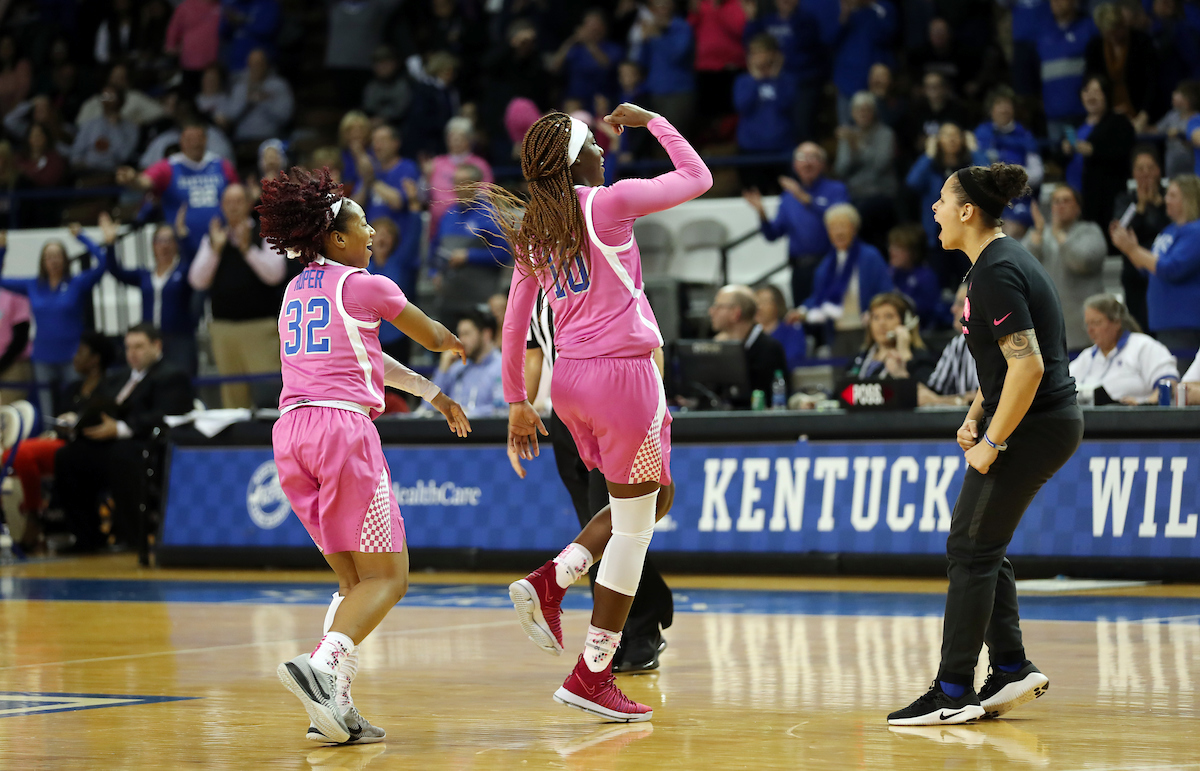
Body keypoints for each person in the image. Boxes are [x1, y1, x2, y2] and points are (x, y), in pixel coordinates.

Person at [483, 104, 711, 722]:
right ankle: (585, 654)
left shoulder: (537, 229)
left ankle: (564, 587)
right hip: (622, 378)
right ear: (574, 161)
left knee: (653, 498)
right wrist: (654, 121)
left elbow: (513, 325)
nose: (604, 151)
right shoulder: (608, 204)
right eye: (593, 144)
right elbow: (698, 177)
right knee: (635, 527)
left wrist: (516, 400)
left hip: (570, 385)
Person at [259, 166, 470, 745]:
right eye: (362, 224)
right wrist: (452, 340)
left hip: (291, 433)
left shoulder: (296, 290)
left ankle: (333, 706)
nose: (372, 231)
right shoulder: (365, 284)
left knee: (355, 582)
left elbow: (363, 357)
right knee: (389, 578)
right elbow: (430, 335)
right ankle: (320, 667)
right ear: (336, 238)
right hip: (340, 432)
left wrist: (431, 393)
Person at [888, 162, 1082, 726]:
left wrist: (993, 441)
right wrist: (976, 415)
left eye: (942, 201)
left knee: (970, 550)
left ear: (968, 210)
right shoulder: (994, 264)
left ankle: (953, 691)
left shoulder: (996, 270)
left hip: (1035, 424)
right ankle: (1011, 668)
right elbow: (1002, 363)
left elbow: (1028, 366)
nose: (934, 210)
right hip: (1031, 419)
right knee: (980, 545)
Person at [523, 287, 674, 672]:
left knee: (620, 521)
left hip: (619, 403)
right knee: (598, 526)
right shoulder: (534, 289)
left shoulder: (608, 277)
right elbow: (533, 354)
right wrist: (519, 406)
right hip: (566, 413)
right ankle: (622, 632)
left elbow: (652, 346)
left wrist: (650, 408)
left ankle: (639, 631)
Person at [53, 323, 194, 553]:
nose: (132, 353)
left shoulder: (172, 376)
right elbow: (97, 405)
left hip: (144, 445)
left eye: (139, 346)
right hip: (107, 443)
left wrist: (121, 429)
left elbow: (167, 413)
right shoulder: (117, 378)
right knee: (68, 457)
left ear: (157, 346)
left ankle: (131, 536)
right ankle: (86, 537)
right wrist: (77, 420)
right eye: (128, 347)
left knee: (122, 455)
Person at [3, 333, 114, 549]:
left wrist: (78, 423)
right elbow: (58, 418)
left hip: (88, 445)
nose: (75, 357)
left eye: (81, 352)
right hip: (63, 440)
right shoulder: (73, 387)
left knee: (21, 453)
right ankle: (34, 513)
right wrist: (61, 424)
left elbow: (103, 418)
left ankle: (34, 514)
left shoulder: (109, 387)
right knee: (15, 452)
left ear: (95, 359)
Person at [188, 183, 287, 408]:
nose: (233, 207)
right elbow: (197, 281)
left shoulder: (265, 233)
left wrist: (247, 249)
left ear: (248, 204)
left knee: (268, 393)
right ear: (222, 206)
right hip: (223, 329)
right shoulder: (213, 238)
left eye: (238, 201)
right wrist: (215, 250)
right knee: (232, 398)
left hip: (260, 328)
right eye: (228, 202)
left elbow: (275, 275)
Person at [0, 220, 111, 419]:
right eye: (49, 257)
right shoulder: (33, 285)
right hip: (43, 356)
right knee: (47, 412)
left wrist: (82, 237)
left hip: (73, 357)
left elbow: (102, 264)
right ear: (43, 261)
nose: (53, 261)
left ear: (65, 259)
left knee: (74, 407)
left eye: (58, 255)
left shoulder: (76, 282)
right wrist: (2, 250)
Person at [742, 142, 849, 311]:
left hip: (829, 264)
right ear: (794, 165)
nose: (807, 162)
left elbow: (843, 220)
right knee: (801, 315)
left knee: (828, 315)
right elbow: (773, 235)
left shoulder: (836, 190)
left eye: (813, 157)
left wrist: (807, 199)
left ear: (823, 164)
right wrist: (762, 213)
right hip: (799, 270)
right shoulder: (788, 197)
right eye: (801, 157)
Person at [116, 120, 239, 257]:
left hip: (223, 242)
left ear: (205, 140)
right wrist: (133, 178)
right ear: (181, 141)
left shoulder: (222, 164)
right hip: (182, 245)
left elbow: (239, 195)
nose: (194, 143)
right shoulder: (168, 166)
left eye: (198, 138)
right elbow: (145, 182)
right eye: (189, 139)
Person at [1110, 174, 1200, 351]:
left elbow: (1172, 269)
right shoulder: (1169, 230)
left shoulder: (1195, 232)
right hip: (1164, 322)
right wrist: (1127, 246)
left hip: (1185, 323)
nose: (1166, 200)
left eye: (1172, 195)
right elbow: (1147, 268)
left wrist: (1133, 250)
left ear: (1188, 199)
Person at [794, 203, 893, 355]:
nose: (838, 232)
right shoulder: (825, 265)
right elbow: (818, 297)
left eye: (843, 226)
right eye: (833, 227)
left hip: (867, 329)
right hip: (836, 333)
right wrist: (802, 311)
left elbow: (886, 291)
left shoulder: (870, 257)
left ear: (854, 228)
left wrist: (875, 313)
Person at [1023, 185, 1107, 350]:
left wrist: (1060, 236)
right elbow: (1023, 268)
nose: (1060, 205)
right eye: (1056, 201)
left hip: (1084, 329)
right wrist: (1037, 238)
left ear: (1078, 208)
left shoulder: (1090, 232)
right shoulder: (1040, 233)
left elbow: (1083, 262)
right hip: (1048, 330)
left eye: (1066, 201)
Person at [108, 223, 197, 375]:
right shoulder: (145, 275)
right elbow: (117, 271)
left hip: (179, 336)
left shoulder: (183, 271)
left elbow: (196, 264)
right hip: (150, 337)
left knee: (182, 377)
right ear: (154, 245)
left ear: (176, 244)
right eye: (160, 240)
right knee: (151, 378)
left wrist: (184, 237)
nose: (164, 245)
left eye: (169, 240)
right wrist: (110, 244)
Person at [430, 164, 511, 326]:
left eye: (464, 182)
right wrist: (433, 273)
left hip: (479, 298)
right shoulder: (448, 215)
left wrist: (469, 256)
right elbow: (434, 249)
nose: (459, 187)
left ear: (476, 184)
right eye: (456, 182)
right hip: (449, 299)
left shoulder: (490, 214)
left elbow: (505, 253)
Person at [1070, 294, 1179, 405]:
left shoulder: (1142, 346)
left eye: (1096, 323)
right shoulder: (1087, 356)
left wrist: (1144, 405)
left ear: (1117, 322)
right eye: (1087, 324)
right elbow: (1063, 386)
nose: (1090, 330)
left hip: (1134, 414)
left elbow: (1168, 383)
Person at [741, 0, 823, 142]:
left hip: (801, 81)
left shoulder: (806, 20)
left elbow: (808, 45)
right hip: (773, 78)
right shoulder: (768, 20)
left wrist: (790, 18)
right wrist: (752, 20)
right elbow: (751, 42)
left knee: (802, 126)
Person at [1061, 75, 1136, 227]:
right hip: (1074, 196)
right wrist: (1065, 149)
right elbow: (1060, 158)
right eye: (1087, 91)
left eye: (1096, 91)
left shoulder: (1118, 122)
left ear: (1106, 94)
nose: (1091, 96)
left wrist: (1093, 150)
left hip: (1104, 199)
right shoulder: (1075, 123)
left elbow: (1122, 151)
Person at [1110, 146, 1169, 331]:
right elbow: (1120, 230)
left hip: (1163, 271)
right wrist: (1141, 206)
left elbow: (1172, 228)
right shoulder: (1125, 199)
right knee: (1139, 327)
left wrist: (1159, 205)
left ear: (1159, 170)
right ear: (1133, 173)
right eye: (1140, 168)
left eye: (1150, 167)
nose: (1145, 173)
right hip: (1134, 275)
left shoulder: (1170, 198)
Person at [733, 34, 797, 193]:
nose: (758, 57)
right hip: (751, 149)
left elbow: (786, 105)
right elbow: (743, 106)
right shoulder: (743, 81)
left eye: (762, 51)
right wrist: (755, 79)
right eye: (754, 53)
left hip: (781, 149)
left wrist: (775, 77)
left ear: (774, 54)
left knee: (784, 196)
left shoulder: (787, 80)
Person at [707, 284, 790, 406]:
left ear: (735, 313)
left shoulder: (769, 349)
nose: (711, 311)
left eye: (718, 306)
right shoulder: (718, 347)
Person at [834, 91, 899, 247]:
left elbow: (880, 165)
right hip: (854, 194)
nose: (862, 114)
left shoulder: (885, 134)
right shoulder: (849, 135)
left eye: (866, 109)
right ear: (852, 113)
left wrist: (857, 146)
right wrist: (851, 148)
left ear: (874, 112)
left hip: (880, 192)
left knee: (859, 215)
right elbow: (841, 169)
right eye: (858, 110)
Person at [421, 308, 504, 418]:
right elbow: (427, 407)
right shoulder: (456, 369)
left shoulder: (503, 367)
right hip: (449, 428)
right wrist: (443, 369)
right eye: (460, 335)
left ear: (486, 334)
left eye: (466, 334)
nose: (461, 341)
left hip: (487, 428)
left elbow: (503, 410)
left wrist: (469, 413)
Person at [1036, 0, 1097, 143]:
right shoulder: (1042, 31)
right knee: (1058, 156)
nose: (1056, 2)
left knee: (1082, 154)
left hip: (1083, 114)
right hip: (1053, 115)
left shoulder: (1089, 28)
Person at [844, 292, 936, 382]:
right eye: (876, 317)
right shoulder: (860, 358)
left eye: (889, 316)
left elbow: (926, 388)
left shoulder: (920, 357)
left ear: (905, 322)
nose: (881, 323)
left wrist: (905, 354)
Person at [637, 0, 697, 136]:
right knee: (655, 139)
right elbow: (642, 61)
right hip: (654, 91)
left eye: (664, 4)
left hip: (678, 92)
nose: (660, 9)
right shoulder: (652, 29)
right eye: (656, 5)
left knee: (672, 138)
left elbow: (677, 56)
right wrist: (644, 40)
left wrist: (656, 37)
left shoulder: (682, 27)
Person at [426, 117, 493, 234]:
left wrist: (456, 208)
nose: (456, 141)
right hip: (438, 225)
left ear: (469, 139)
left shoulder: (480, 165)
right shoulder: (436, 164)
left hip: (470, 225)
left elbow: (485, 195)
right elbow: (426, 193)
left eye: (460, 137)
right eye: (452, 137)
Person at [918, 284, 979, 406]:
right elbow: (933, 393)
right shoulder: (957, 345)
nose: (953, 309)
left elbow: (993, 397)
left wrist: (945, 401)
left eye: (961, 304)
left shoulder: (1004, 344)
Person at [225, 48, 294, 144]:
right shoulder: (240, 86)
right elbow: (231, 116)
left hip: (270, 138)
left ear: (266, 65)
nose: (256, 68)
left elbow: (285, 117)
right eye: (252, 64)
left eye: (259, 64)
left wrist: (265, 102)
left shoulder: (279, 85)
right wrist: (247, 100)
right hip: (243, 139)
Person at [886, 223, 944, 328]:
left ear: (913, 252)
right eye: (891, 246)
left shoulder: (926, 277)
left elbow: (930, 312)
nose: (891, 251)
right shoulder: (891, 272)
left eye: (898, 247)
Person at [754, 283, 806, 370]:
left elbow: (793, 359)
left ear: (776, 305)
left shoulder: (791, 329)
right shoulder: (750, 331)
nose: (759, 307)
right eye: (756, 303)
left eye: (764, 302)